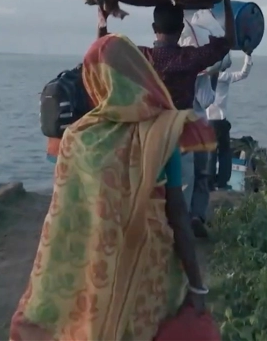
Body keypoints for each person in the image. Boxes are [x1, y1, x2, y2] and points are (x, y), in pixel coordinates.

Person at [11, 34, 210, 341]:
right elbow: (178, 214)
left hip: (95, 270)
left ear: (94, 81)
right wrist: (196, 284)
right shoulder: (161, 131)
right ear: (140, 74)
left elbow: (64, 219)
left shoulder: (77, 138)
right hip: (150, 266)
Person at [97, 0, 237, 238]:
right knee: (193, 179)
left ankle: (166, 228)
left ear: (154, 28)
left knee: (155, 185)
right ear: (180, 28)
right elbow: (228, 41)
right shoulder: (189, 58)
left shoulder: (142, 57)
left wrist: (102, 16)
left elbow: (102, 50)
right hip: (183, 131)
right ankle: (191, 221)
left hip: (149, 131)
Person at [207, 52, 254, 190]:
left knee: (210, 153)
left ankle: (209, 183)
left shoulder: (204, 77)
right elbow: (244, 73)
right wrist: (248, 56)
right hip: (220, 120)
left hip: (206, 121)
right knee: (224, 152)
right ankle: (222, 182)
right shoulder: (225, 77)